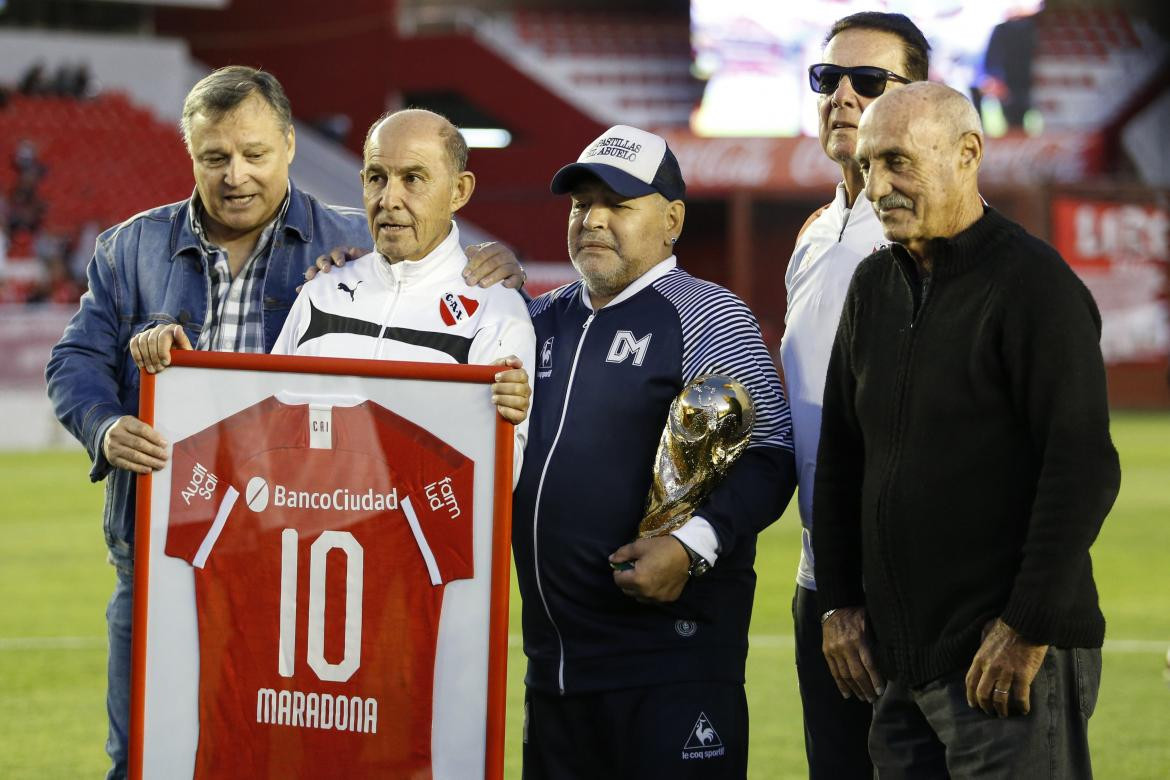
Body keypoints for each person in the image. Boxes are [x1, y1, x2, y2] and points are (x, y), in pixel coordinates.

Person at [44, 66, 521, 780]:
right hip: (166, 557)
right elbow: (75, 359)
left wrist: (495, 264)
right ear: (190, 154)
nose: (236, 175)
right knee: (148, 756)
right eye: (214, 157)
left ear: (291, 146)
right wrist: (109, 427)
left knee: (294, 753)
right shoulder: (130, 248)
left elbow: (428, 258)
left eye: (255, 154)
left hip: (310, 562)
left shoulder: (350, 243)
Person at [813, 81, 1120, 777]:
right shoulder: (871, 288)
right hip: (898, 669)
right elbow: (840, 462)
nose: (877, 184)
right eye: (865, 167)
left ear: (967, 154)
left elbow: (1082, 469)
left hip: (1005, 664)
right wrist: (838, 604)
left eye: (897, 161)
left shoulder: (1034, 286)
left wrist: (1026, 626)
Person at [513, 124, 796, 778]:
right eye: (582, 204)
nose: (593, 219)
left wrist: (691, 545)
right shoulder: (537, 319)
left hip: (671, 665)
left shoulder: (705, 314)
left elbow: (771, 452)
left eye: (619, 203)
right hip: (553, 671)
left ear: (671, 220)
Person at [777, 12, 929, 777]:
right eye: (826, 79)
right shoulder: (815, 231)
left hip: (904, 586)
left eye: (867, 81)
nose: (840, 95)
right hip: (821, 578)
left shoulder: (932, 234)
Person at [272, 108, 535, 465]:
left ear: (459, 191)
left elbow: (501, 478)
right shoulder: (321, 291)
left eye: (412, 178)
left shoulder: (498, 313)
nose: (389, 199)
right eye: (377, 178)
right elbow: (268, 425)